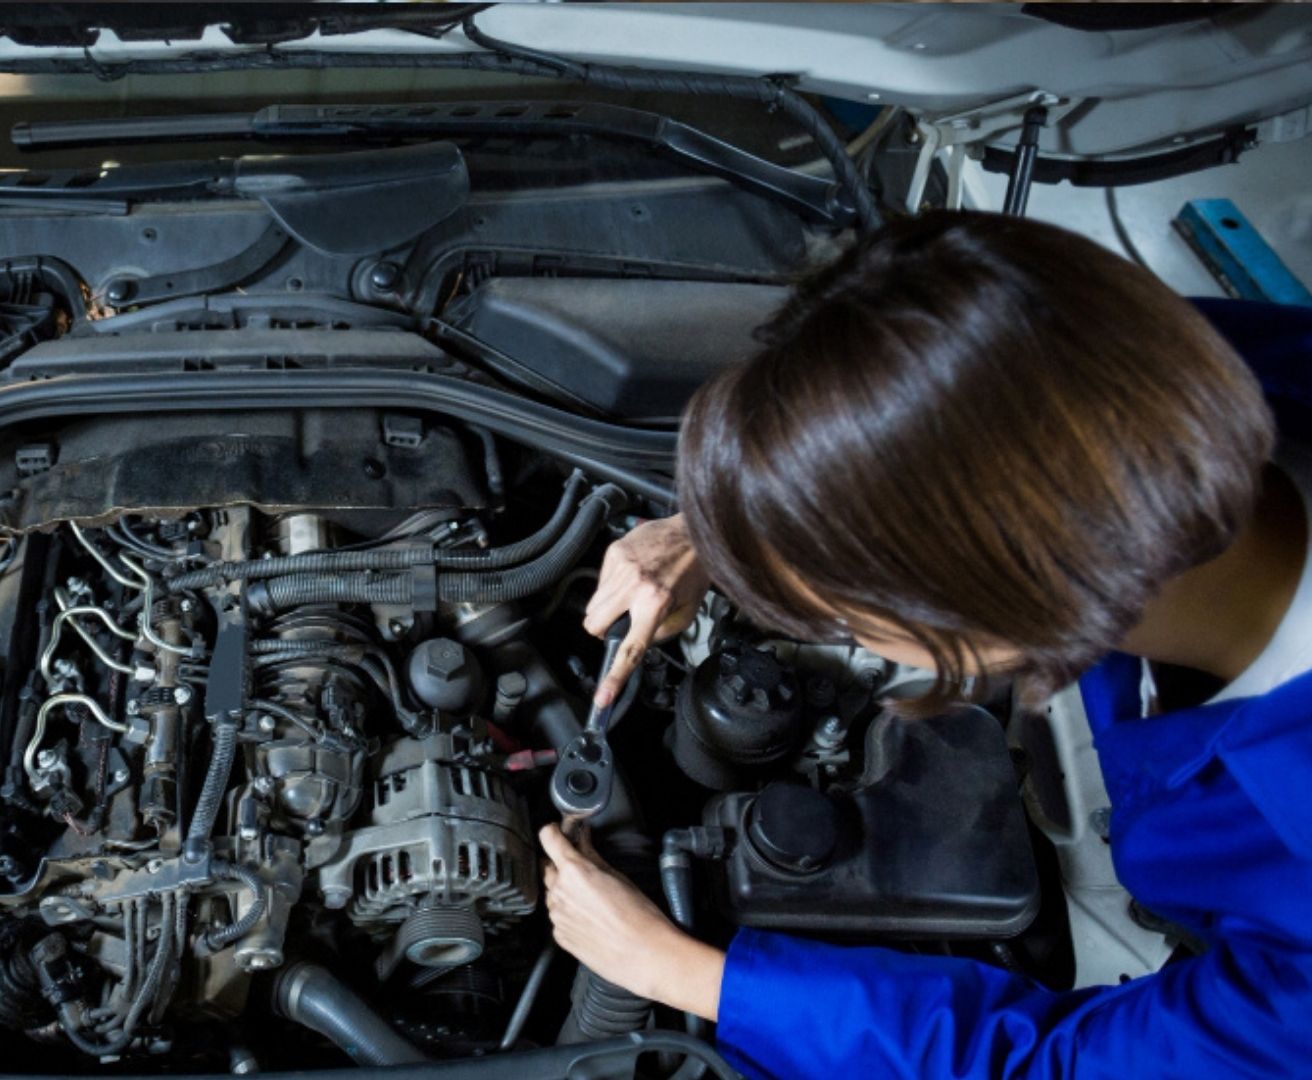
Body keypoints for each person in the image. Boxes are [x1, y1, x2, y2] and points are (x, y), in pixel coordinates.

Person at [539, 211, 1312, 1078]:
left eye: (838, 612)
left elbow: (1066, 1067)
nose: (829, 630)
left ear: (999, 601)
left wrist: (689, 976)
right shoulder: (1153, 370)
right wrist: (720, 530)